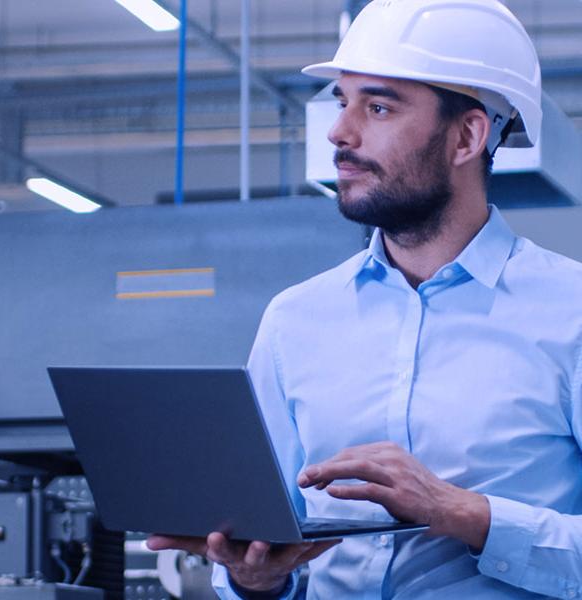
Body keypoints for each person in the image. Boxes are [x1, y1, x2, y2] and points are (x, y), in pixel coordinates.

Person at [148, 0, 582, 598]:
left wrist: (468, 514)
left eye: (377, 107)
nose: (338, 132)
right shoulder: (295, 319)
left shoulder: (571, 312)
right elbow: (265, 545)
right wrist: (254, 579)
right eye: (341, 101)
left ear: (467, 136)